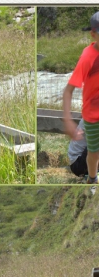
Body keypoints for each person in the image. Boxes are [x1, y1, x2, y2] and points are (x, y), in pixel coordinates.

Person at [63, 11, 99, 184]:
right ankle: (92, 178)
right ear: (93, 34)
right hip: (78, 163)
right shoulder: (87, 58)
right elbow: (68, 90)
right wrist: (67, 120)